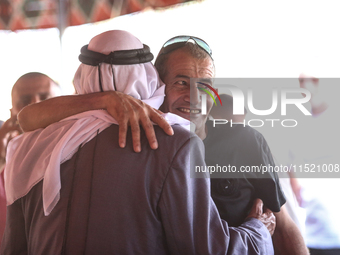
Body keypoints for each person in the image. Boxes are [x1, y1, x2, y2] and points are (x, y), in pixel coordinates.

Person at [16, 35, 306, 254]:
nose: (194, 96)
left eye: (204, 85)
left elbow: (283, 225)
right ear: (157, 84)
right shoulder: (144, 141)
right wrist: (107, 99)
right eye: (181, 82)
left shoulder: (244, 141)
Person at [0, 72, 61, 246]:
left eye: (45, 98)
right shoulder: (4, 158)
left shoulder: (81, 150)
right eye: (25, 101)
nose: (35, 106)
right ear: (12, 112)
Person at [288, 75, 340, 255]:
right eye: (301, 81)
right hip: (310, 232)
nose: (307, 85)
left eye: (314, 79)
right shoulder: (296, 125)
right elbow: (289, 164)